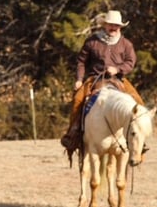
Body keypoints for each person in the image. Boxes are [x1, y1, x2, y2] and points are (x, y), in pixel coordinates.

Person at [60, 10, 145, 153]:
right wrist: (79, 79)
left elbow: (130, 62)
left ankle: (140, 141)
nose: (113, 28)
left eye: (116, 25)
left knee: (139, 103)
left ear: (120, 27)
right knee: (78, 100)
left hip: (118, 79)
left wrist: (117, 69)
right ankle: (73, 134)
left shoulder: (126, 44)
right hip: (95, 78)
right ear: (105, 25)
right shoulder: (92, 42)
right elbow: (81, 62)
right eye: (111, 25)